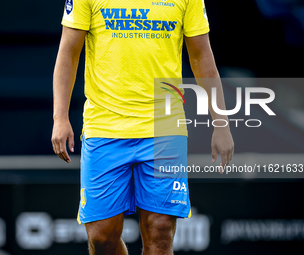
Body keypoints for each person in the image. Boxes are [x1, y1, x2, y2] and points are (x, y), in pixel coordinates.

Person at [52, 0, 234, 254]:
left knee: (159, 231)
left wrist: (221, 123)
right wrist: (60, 117)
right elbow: (69, 51)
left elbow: (201, 55)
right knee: (102, 236)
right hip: (106, 126)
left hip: (165, 128)